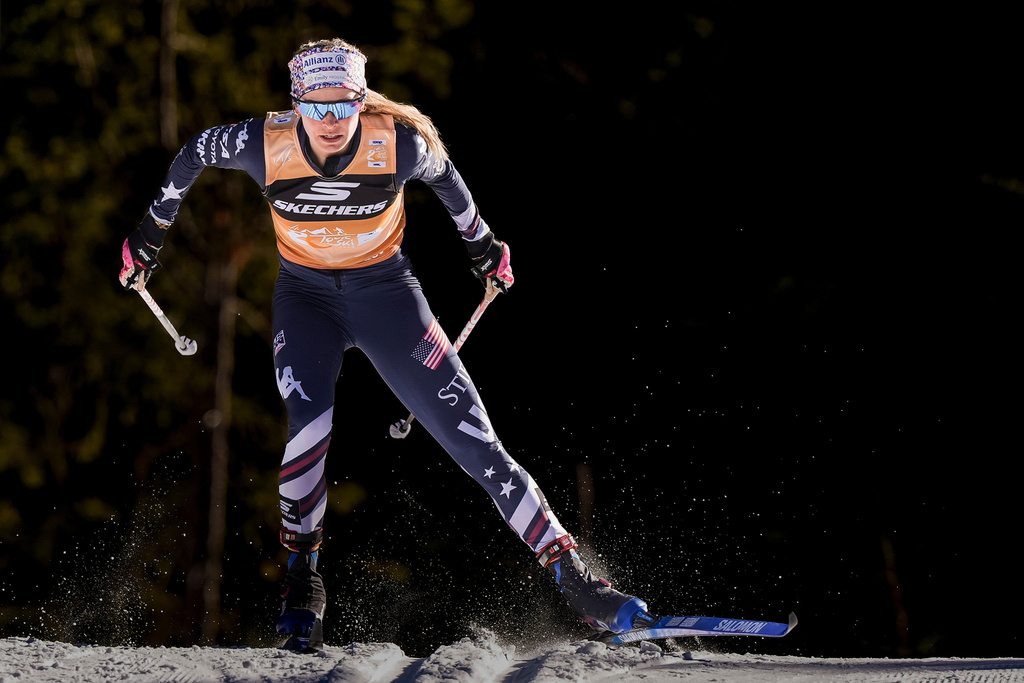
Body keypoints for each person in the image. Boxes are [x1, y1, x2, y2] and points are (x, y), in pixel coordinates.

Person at [119, 38, 650, 652]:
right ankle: (301, 577)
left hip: (388, 296)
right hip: (306, 298)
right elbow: (190, 156)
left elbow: (449, 180)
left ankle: (576, 580)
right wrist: (148, 237)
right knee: (308, 420)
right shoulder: (261, 143)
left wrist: (484, 246)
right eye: (313, 110)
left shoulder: (397, 145)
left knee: (474, 439)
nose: (328, 123)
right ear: (294, 106)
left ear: (360, 100)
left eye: (342, 107)